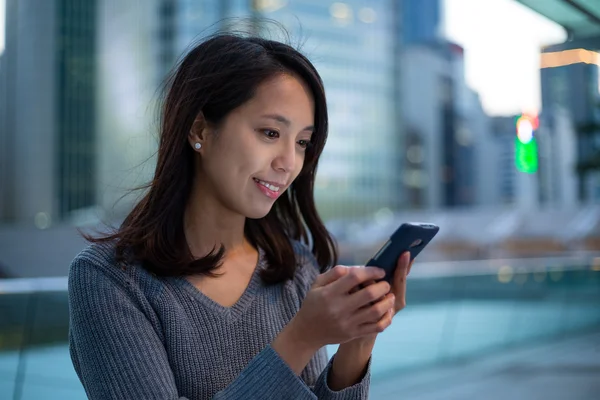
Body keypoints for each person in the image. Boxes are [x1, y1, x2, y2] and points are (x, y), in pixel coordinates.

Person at [68, 32, 413, 400]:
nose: (289, 163)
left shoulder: (294, 267)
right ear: (199, 129)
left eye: (301, 142)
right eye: (270, 132)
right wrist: (300, 339)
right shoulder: (108, 279)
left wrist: (359, 342)